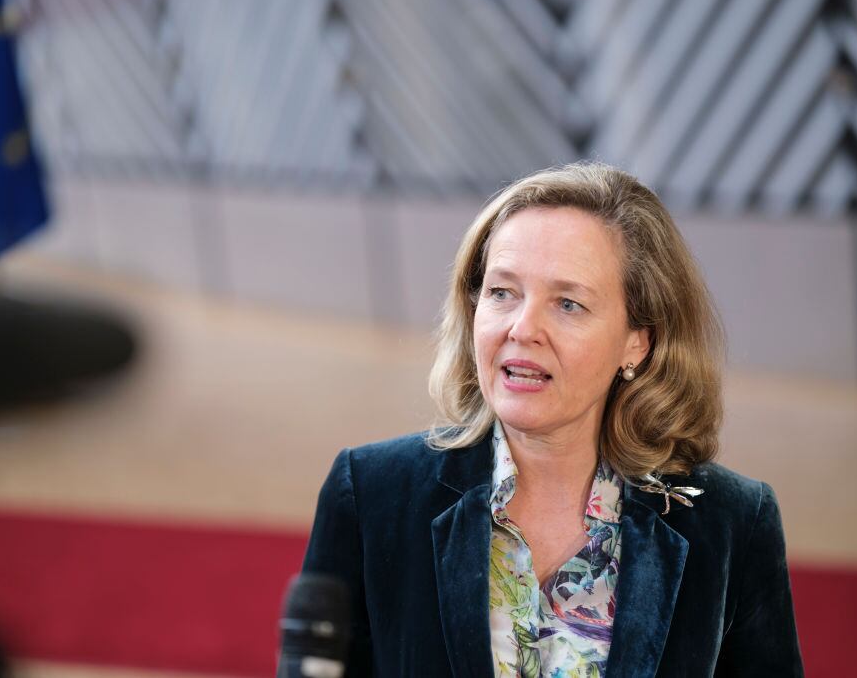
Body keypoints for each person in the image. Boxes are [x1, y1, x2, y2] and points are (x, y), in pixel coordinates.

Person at [302, 162, 803, 677]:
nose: (523, 328)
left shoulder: (732, 522)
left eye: (568, 303)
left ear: (638, 340)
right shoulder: (371, 494)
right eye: (502, 292)